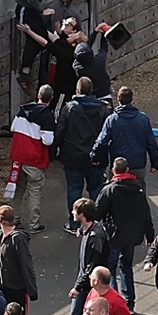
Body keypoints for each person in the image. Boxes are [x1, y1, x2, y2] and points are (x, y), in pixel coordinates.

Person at [95, 157, 154, 312]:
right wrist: (150, 235)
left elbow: (98, 212)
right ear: (127, 170)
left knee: (110, 269)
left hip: (113, 235)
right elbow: (145, 213)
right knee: (126, 267)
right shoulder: (139, 189)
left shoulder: (109, 189)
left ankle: (113, 302)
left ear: (113, 170)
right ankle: (129, 303)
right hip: (132, 235)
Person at [55, 77, 112, 234]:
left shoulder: (69, 109)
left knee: (74, 190)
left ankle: (75, 224)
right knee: (96, 189)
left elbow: (60, 131)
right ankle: (94, 222)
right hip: (96, 157)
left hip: (73, 156)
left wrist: (54, 151)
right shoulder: (103, 109)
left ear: (77, 90)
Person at [7, 84, 56, 233]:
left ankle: (14, 219)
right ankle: (34, 224)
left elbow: (12, 128)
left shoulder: (23, 111)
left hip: (18, 158)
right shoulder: (47, 115)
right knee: (34, 190)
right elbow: (48, 141)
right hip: (34, 160)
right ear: (51, 99)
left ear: (38, 95)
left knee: (18, 189)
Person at [12, 0, 66, 86]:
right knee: (37, 39)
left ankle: (26, 71)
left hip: (26, 9)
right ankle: (24, 72)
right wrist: (43, 10)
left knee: (38, 36)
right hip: (27, 10)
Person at [90, 86, 158, 185]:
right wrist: (155, 163)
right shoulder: (143, 119)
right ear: (131, 99)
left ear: (118, 99)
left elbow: (102, 141)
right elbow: (151, 143)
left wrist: (95, 157)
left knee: (115, 192)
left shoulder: (112, 120)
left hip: (118, 165)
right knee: (138, 192)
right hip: (137, 164)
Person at [68, 198, 110, 315]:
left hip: (90, 284)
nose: (72, 212)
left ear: (82, 214)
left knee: (77, 314)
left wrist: (78, 287)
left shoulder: (95, 237)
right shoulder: (91, 229)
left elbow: (92, 265)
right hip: (88, 282)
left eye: (75, 210)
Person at [73, 23, 113, 101]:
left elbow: (84, 51)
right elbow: (104, 49)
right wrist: (103, 34)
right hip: (104, 94)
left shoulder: (77, 66)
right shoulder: (99, 62)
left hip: (89, 96)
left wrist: (95, 32)